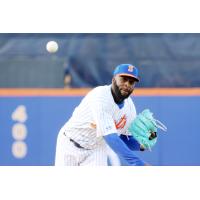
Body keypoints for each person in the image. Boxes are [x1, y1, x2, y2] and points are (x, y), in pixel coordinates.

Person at [55, 64, 149, 166]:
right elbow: (111, 137)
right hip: (69, 143)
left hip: (96, 148)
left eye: (131, 82)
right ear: (114, 79)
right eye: (123, 79)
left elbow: (122, 138)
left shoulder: (130, 109)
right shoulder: (100, 96)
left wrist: (140, 145)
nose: (127, 84)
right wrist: (137, 163)